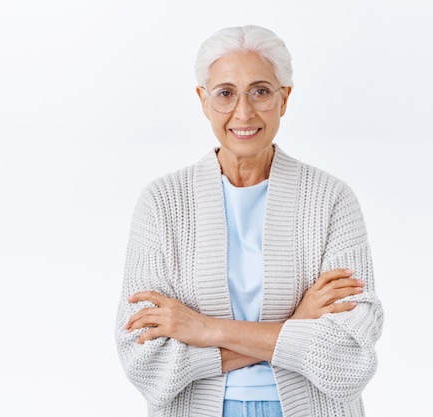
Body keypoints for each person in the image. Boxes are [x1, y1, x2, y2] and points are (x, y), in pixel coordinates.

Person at [115, 25, 383, 417]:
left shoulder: (331, 199)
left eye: (260, 91)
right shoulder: (162, 203)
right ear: (203, 101)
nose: (244, 112)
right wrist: (297, 325)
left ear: (284, 98)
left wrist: (205, 329)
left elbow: (348, 357)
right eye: (225, 94)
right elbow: (145, 362)